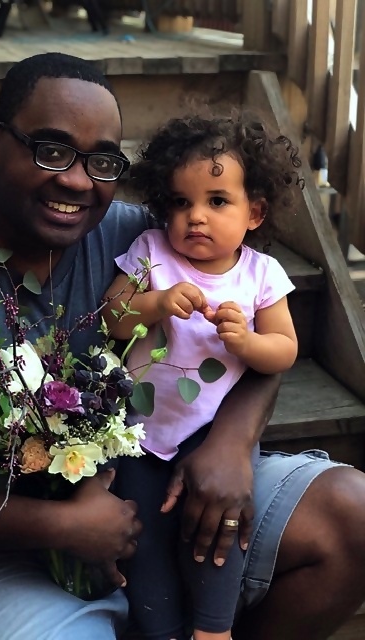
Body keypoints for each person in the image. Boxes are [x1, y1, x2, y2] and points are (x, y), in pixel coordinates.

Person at [0, 52, 364, 640]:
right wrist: (63, 527)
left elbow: (259, 336)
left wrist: (231, 445)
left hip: (166, 479)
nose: (78, 180)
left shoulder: (145, 235)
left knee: (354, 516)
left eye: (103, 160)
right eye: (51, 149)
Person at [104, 113, 299, 640]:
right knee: (142, 541)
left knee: (217, 537)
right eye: (180, 202)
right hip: (143, 437)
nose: (195, 217)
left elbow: (284, 351)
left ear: (254, 212)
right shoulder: (150, 251)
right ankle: (160, 629)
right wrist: (157, 302)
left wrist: (247, 342)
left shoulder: (260, 275)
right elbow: (112, 314)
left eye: (217, 201)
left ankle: (214, 630)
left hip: (216, 435)